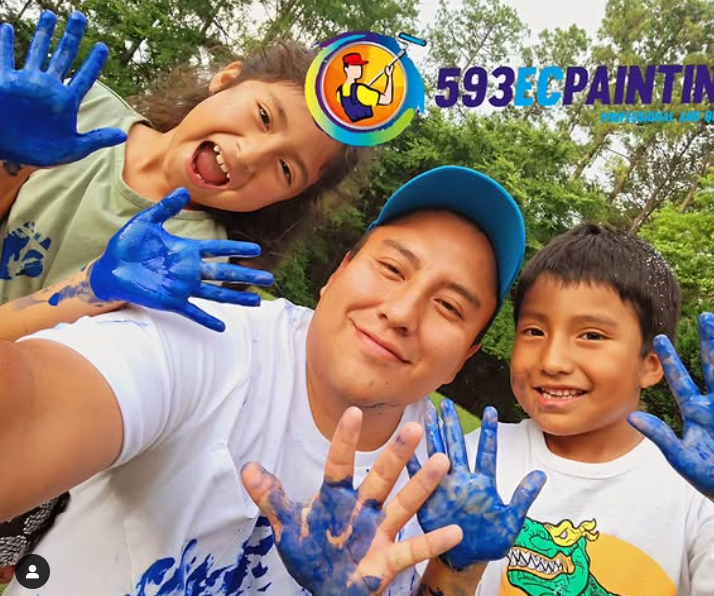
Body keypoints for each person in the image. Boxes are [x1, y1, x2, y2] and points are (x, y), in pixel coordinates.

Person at [0, 165, 531, 595]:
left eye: (448, 306)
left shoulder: (444, 487)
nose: (402, 312)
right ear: (336, 274)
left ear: (465, 356)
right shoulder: (210, 340)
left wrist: (457, 571)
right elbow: (28, 413)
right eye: (392, 268)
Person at [0, 8, 366, 571]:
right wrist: (10, 158)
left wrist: (93, 290)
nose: (249, 155)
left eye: (286, 171)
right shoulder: (79, 108)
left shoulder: (191, 268)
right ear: (228, 76)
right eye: (264, 116)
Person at [408, 224, 714, 596]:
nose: (553, 360)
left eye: (591, 335)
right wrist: (453, 566)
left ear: (651, 364)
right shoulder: (471, 465)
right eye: (534, 331)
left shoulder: (700, 499)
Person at [336, 52, 394, 123]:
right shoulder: (361, 90)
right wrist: (389, 76)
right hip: (371, 127)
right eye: (354, 66)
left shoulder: (339, 93)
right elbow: (387, 100)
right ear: (346, 69)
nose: (359, 69)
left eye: (360, 66)